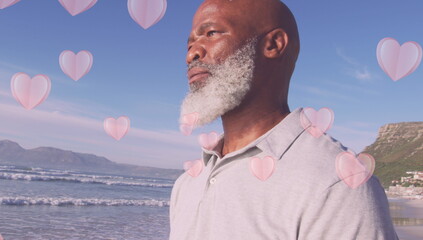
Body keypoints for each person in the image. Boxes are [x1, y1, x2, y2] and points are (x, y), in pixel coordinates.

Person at [170, 0, 399, 239]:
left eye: (211, 33)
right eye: (190, 43)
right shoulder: (187, 184)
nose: (191, 54)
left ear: (273, 44)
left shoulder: (337, 183)